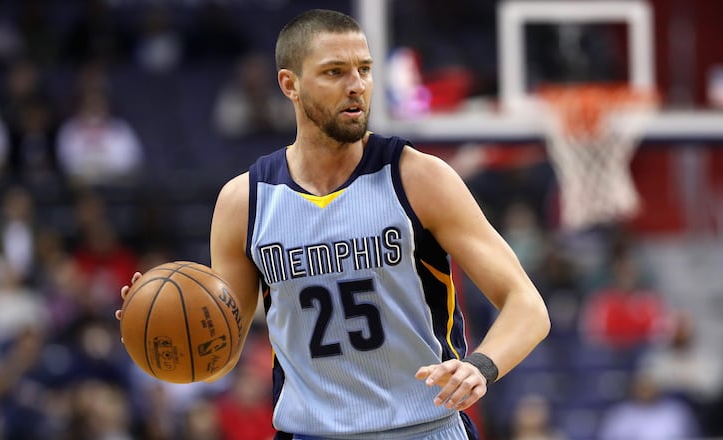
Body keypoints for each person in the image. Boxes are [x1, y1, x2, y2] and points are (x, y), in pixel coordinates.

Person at [116, 9, 550, 439]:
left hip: (425, 427)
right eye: (335, 72)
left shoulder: (419, 178)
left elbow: (527, 304)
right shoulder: (244, 201)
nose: (356, 85)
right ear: (290, 85)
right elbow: (220, 355)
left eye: (365, 69)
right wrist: (160, 327)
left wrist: (481, 366)